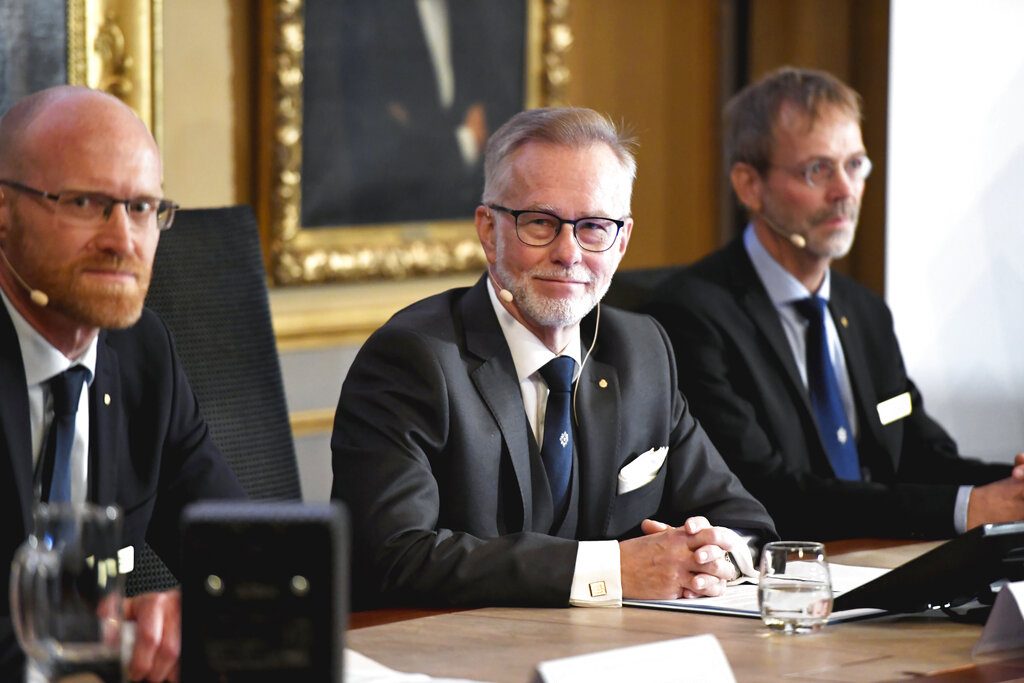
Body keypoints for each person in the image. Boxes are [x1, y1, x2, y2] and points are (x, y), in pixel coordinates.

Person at [331, 107, 776, 609]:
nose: (569, 253)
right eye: (540, 222)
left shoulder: (642, 350)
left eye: (592, 227)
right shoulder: (413, 360)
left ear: (622, 240)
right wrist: (613, 571)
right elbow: (392, 557)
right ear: (487, 229)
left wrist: (717, 556)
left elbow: (745, 520)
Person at [646, 67, 1024, 541]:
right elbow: (767, 492)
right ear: (749, 186)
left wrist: (1010, 488)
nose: (845, 191)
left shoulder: (864, 312)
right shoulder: (691, 314)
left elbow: (918, 455)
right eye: (818, 170)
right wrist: (969, 506)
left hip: (885, 563)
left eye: (855, 165)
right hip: (778, 582)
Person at [0, 86, 246, 681]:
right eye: (86, 203)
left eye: (142, 208)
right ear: (3, 214)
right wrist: (112, 638)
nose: (123, 240)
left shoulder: (142, 353)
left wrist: (201, 610)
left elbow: (243, 550)